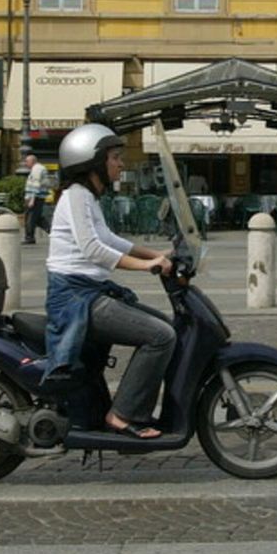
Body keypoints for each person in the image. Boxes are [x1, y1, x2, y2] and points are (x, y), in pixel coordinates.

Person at [44, 123, 175, 439]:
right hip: (76, 298)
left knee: (167, 327)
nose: (120, 164)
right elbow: (93, 249)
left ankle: (135, 408)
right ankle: (123, 414)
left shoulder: (88, 198)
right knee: (161, 336)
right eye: (114, 157)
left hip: (88, 292)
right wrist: (147, 266)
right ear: (92, 163)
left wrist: (158, 254)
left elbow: (109, 239)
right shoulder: (76, 196)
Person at [23, 153, 50, 245]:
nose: (25, 163)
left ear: (32, 161)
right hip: (37, 197)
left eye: (27, 161)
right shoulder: (37, 168)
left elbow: (36, 184)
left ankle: (29, 237)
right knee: (37, 218)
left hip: (36, 197)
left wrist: (32, 199)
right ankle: (51, 231)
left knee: (30, 218)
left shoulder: (37, 169)